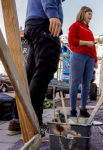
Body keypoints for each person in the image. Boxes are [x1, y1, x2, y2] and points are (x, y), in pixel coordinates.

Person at [7, 0, 64, 135]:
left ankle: (18, 120)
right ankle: (32, 122)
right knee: (45, 68)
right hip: (43, 22)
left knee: (31, 73)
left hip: (34, 24)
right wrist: (52, 13)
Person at [68, 6, 98, 117]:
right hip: (78, 55)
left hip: (90, 58)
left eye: (91, 14)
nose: (90, 16)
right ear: (83, 13)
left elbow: (93, 47)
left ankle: (83, 108)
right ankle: (72, 109)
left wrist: (95, 61)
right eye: (89, 13)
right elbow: (71, 40)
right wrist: (85, 43)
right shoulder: (75, 26)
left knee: (86, 85)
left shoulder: (90, 31)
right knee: (75, 83)